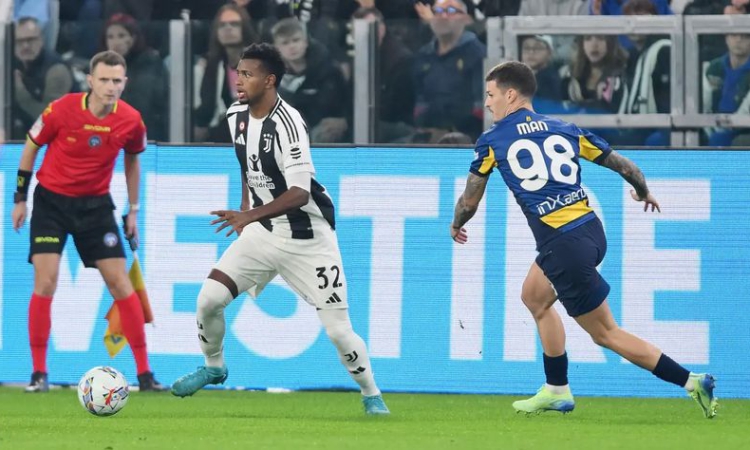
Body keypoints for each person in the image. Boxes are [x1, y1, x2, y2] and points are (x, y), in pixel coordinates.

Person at [450, 61, 718, 418]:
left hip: (563, 244)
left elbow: (469, 201)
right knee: (534, 296)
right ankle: (556, 389)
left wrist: (456, 223)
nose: (487, 103)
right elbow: (624, 165)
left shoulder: (493, 140)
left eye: (490, 94)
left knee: (606, 333)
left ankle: (691, 381)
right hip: (590, 230)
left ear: (510, 95)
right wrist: (643, 191)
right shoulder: (566, 129)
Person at [170, 43, 390, 416]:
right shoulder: (235, 115)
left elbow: (300, 193)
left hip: (308, 240)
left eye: (248, 74)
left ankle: (372, 395)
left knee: (338, 330)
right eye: (238, 73)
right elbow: (248, 165)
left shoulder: (289, 124)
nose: (239, 80)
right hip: (262, 232)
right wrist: (246, 208)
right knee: (208, 299)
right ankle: (214, 367)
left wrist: (248, 216)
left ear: (270, 80)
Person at [11, 50, 166, 393]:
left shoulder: (131, 121)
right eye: (104, 80)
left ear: (125, 82)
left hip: (95, 207)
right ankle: (39, 373)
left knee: (121, 283)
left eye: (117, 81)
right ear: (90, 81)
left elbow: (133, 161)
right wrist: (20, 198)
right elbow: (31, 146)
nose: (111, 87)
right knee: (46, 282)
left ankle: (145, 374)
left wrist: (134, 210)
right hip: (51, 204)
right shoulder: (61, 109)